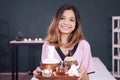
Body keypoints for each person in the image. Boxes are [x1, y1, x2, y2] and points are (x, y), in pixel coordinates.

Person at [32, 3, 95, 80]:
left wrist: (83, 73)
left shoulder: (84, 46)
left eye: (71, 20)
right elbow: (46, 75)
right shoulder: (47, 45)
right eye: (62, 18)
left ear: (76, 24)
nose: (66, 23)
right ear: (56, 21)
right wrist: (40, 74)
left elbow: (86, 79)